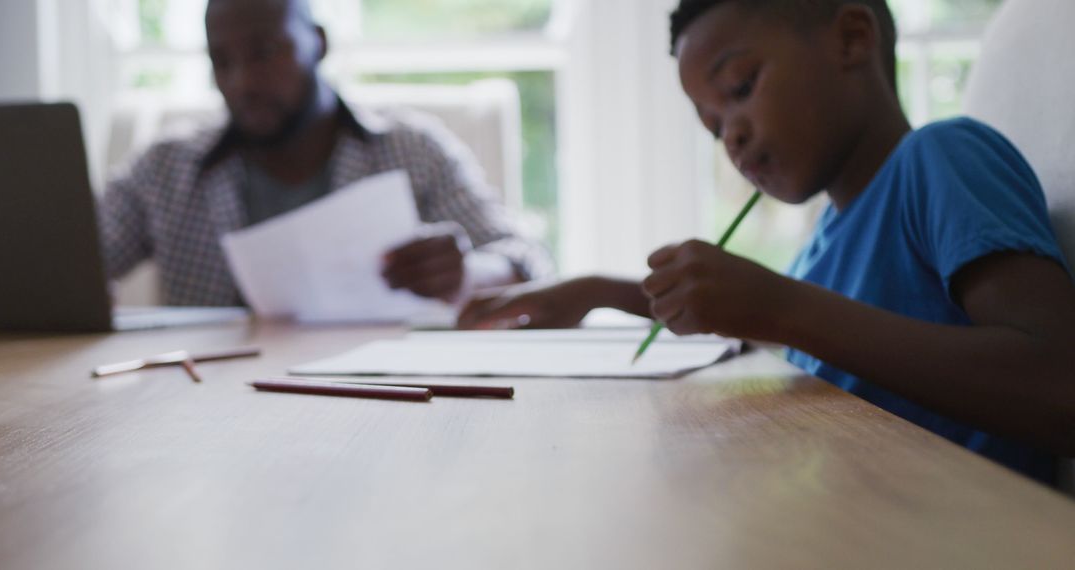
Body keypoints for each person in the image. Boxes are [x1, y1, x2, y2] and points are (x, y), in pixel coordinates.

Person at [459, 0, 1075, 485]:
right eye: (714, 125)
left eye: (741, 87)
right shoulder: (826, 241)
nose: (731, 136)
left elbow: (1059, 387)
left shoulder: (942, 159)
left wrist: (782, 308)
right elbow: (775, 323)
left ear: (851, 40)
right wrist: (596, 291)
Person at [99, 0, 552, 307]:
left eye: (264, 52)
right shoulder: (165, 169)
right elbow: (74, 267)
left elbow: (528, 263)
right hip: (204, 415)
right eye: (222, 60)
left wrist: (467, 273)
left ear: (318, 42)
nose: (242, 82)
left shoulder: (411, 150)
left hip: (378, 402)